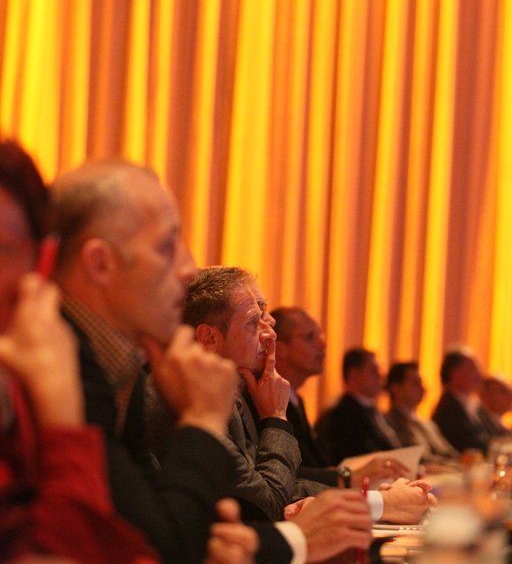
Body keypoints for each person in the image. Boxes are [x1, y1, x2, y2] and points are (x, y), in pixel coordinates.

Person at [50, 160, 371, 564]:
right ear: (100, 264)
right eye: (166, 247)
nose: (187, 270)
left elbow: (163, 528)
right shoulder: (59, 368)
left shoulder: (122, 367)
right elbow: (161, 545)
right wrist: (203, 420)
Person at [0, 140, 158, 562]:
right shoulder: (55, 377)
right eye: (164, 247)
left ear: (41, 265)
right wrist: (63, 421)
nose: (186, 272)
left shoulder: (29, 375)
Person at [185, 273, 433, 526]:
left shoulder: (232, 395)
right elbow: (267, 503)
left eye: (265, 313)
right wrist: (275, 417)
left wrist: (377, 499)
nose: (270, 330)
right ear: (209, 338)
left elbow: (285, 486)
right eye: (253, 320)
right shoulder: (194, 402)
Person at [272, 307, 409, 487]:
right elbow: (285, 472)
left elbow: (316, 465)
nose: (323, 344)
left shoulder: (296, 399)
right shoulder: (268, 400)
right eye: (310, 337)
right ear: (280, 348)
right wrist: (347, 475)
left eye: (320, 336)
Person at [315, 347, 401, 464]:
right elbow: (355, 457)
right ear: (354, 375)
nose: (380, 376)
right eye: (373, 371)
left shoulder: (373, 410)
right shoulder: (340, 415)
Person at [385, 361, 458, 465]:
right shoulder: (388, 424)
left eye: (421, 383)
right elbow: (413, 460)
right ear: (395, 388)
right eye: (415, 383)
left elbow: (450, 454)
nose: (423, 388)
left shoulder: (427, 424)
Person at [432, 348, 491, 454]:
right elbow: (468, 446)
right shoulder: (447, 409)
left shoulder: (475, 406)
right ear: (455, 373)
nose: (480, 375)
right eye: (473, 369)